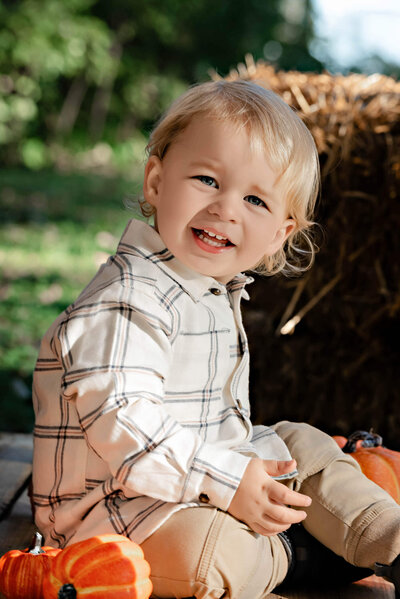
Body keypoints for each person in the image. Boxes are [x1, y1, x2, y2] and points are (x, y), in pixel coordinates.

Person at [31, 80, 400, 598]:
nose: (226, 208)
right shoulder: (127, 299)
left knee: (302, 445)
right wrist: (228, 481)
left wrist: (237, 475)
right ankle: (301, 557)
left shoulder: (206, 290)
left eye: (254, 199)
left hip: (203, 479)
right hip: (113, 517)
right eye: (207, 179)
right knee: (203, 554)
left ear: (279, 234)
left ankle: (387, 539)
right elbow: (124, 424)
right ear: (156, 182)